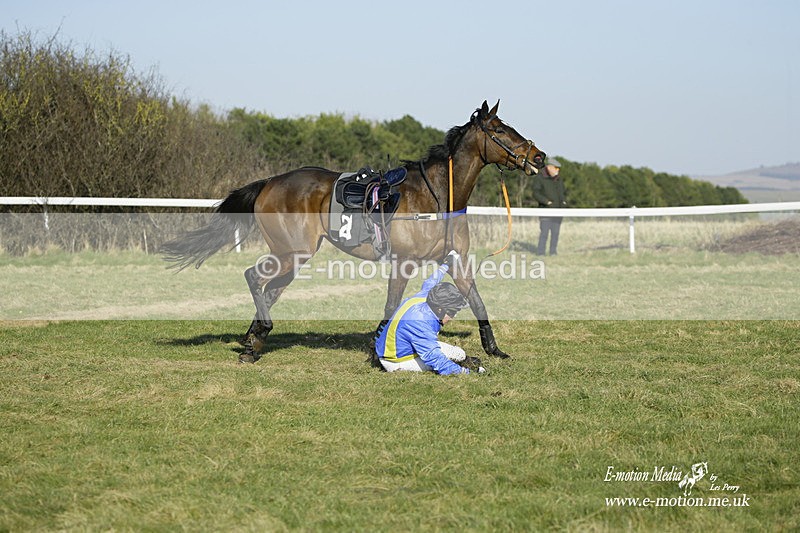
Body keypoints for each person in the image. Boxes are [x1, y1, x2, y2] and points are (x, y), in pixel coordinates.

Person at [374, 251, 484, 375]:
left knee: (459, 354)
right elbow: (436, 359)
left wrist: (446, 264)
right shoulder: (420, 323)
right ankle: (464, 367)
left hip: (396, 348)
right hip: (395, 362)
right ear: (440, 309)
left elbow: (432, 281)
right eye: (452, 313)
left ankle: (463, 361)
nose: (453, 317)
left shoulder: (426, 296)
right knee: (441, 360)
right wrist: (467, 373)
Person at [532, 157, 567, 255]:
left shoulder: (558, 179)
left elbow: (563, 194)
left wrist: (564, 203)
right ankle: (541, 253)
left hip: (558, 213)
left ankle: (553, 252)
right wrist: (547, 202)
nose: (558, 170)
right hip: (545, 213)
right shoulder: (540, 178)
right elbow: (536, 193)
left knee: (555, 234)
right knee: (544, 233)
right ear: (550, 167)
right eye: (556, 168)